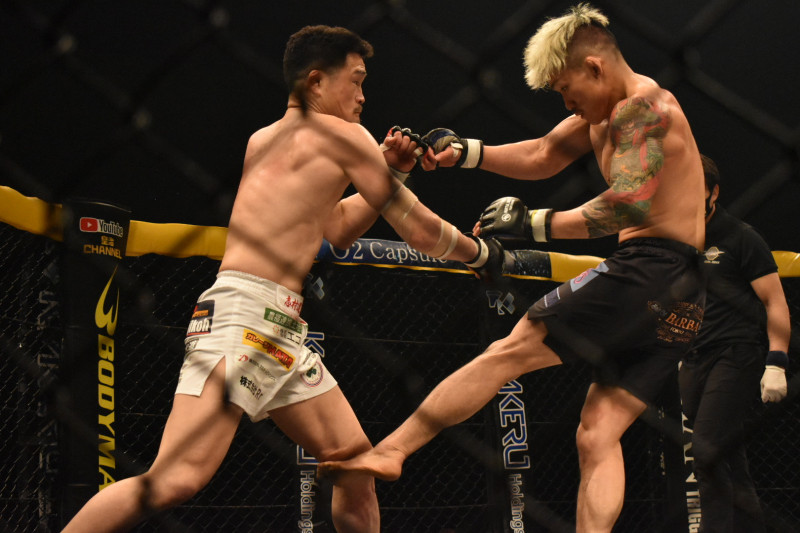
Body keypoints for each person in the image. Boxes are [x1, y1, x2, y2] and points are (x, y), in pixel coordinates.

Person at [61, 25, 502, 533]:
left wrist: (392, 173)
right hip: (245, 318)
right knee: (175, 479)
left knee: (356, 466)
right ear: (316, 81)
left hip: (277, 326)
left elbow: (335, 229)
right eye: (356, 80)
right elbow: (419, 228)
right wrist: (480, 254)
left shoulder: (264, 139)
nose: (363, 96)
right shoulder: (345, 136)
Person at [318, 4, 707, 531]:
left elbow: (629, 204)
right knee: (597, 432)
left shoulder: (642, 109)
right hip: (682, 298)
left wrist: (535, 222)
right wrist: (468, 153)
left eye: (566, 88)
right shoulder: (606, 114)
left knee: (508, 351)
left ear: (594, 66)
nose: (566, 102)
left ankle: (393, 450)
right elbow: (544, 153)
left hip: (648, 270)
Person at [678, 155, 790, 533]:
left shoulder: (741, 236)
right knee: (731, 459)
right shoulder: (675, 238)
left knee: (706, 452)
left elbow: (775, 301)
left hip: (735, 353)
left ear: (713, 192)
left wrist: (776, 360)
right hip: (693, 358)